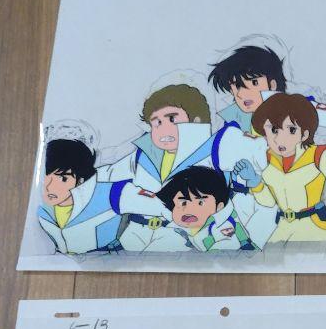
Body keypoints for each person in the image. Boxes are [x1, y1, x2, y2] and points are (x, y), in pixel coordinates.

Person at [98, 84, 266, 251]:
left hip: (187, 241)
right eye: (157, 122)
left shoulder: (216, 148)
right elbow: (106, 175)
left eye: (172, 119)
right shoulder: (144, 154)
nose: (163, 129)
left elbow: (258, 153)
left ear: (196, 120)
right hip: (134, 237)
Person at [207, 43, 326, 185]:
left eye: (253, 82)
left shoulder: (292, 107)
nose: (242, 93)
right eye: (236, 86)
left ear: (272, 84)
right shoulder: (236, 120)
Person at [235, 93, 326, 245]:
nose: (279, 139)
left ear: (304, 134)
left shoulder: (317, 155)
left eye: (291, 130)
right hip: (282, 227)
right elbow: (269, 202)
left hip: (313, 228)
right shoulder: (268, 158)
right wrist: (254, 181)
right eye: (274, 130)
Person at [36, 138, 144, 255]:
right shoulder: (41, 210)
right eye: (46, 176)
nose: (49, 186)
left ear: (80, 181)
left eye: (63, 179)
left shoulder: (109, 195)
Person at [150, 166, 249, 252]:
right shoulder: (173, 228)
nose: (188, 209)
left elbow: (227, 252)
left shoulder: (224, 227)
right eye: (183, 202)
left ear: (219, 207)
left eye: (200, 203)